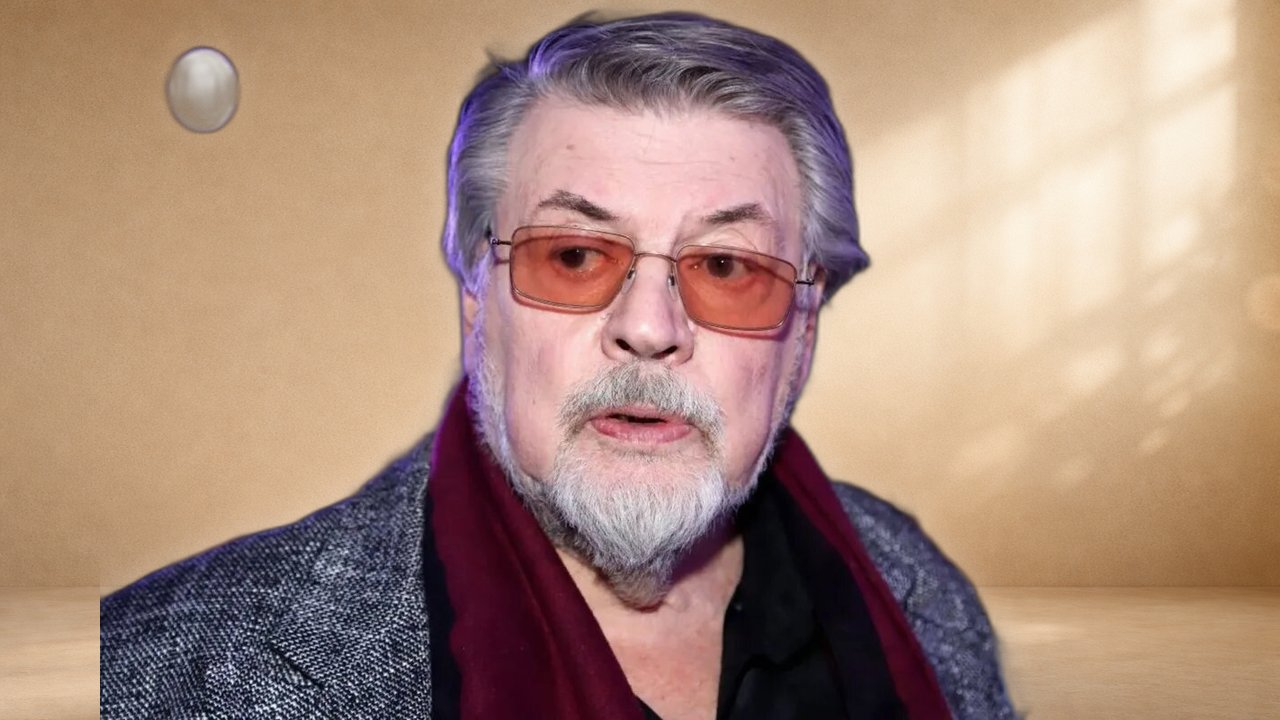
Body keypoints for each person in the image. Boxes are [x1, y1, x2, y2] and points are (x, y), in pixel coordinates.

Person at [101, 12, 1017, 720]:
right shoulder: (180, 672)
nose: (648, 328)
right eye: (575, 256)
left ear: (804, 327)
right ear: (476, 294)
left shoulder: (920, 591)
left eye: (725, 267)